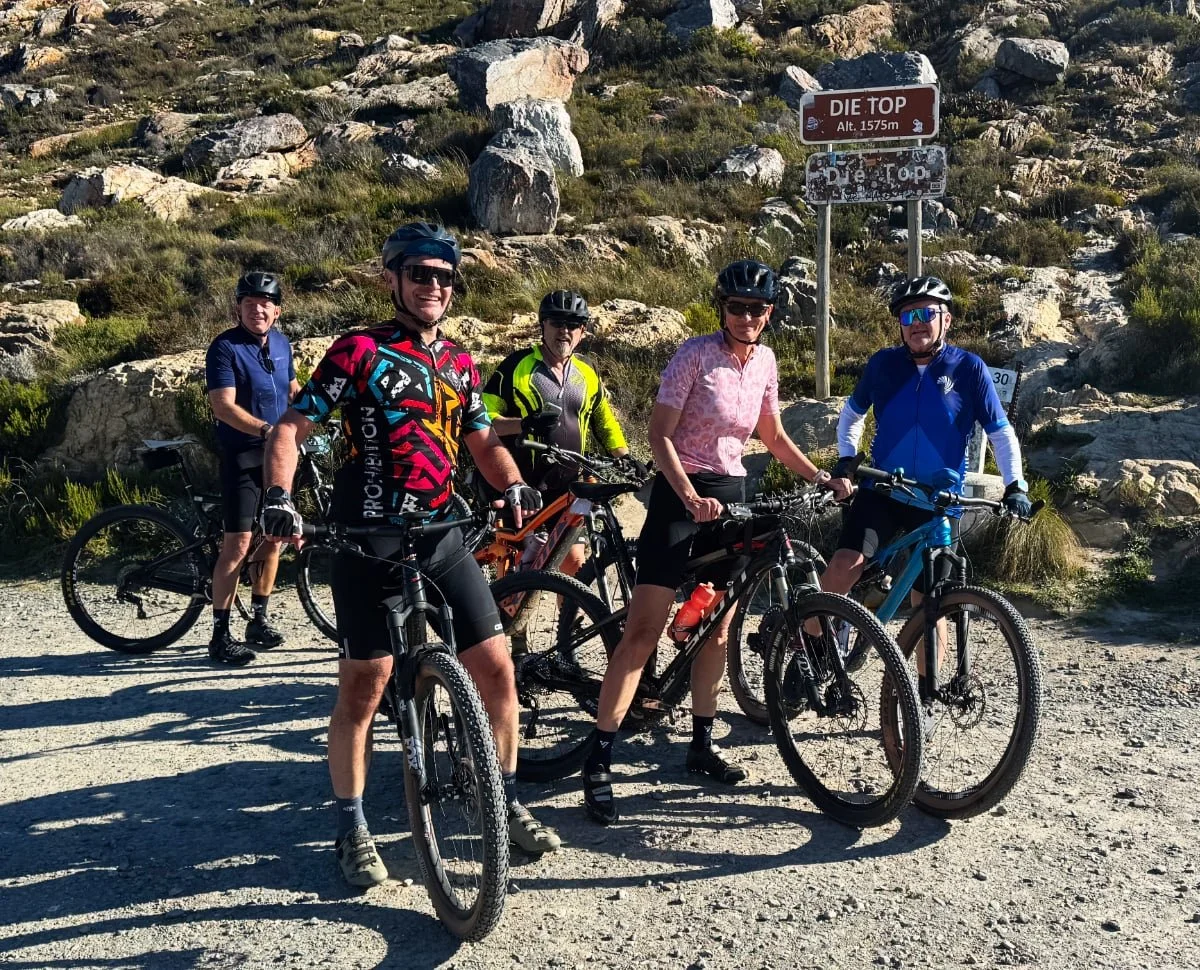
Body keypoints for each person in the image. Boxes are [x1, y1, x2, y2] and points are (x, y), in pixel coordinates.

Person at [260, 222, 561, 889]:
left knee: (499, 671)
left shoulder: (456, 359)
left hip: (441, 531)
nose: (434, 286)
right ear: (392, 278)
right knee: (364, 687)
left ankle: (506, 800)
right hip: (367, 537)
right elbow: (290, 428)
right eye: (420, 274)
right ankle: (353, 825)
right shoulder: (357, 351)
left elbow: (482, 441)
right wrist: (278, 497)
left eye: (445, 277)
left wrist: (511, 482)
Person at [579, 259, 852, 825]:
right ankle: (598, 757)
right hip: (682, 493)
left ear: (770, 313)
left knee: (718, 626)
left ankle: (701, 744)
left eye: (757, 308)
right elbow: (657, 434)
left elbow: (771, 436)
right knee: (643, 631)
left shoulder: (767, 362)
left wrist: (820, 479)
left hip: (732, 491)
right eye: (737, 307)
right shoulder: (694, 355)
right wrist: (685, 494)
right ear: (722, 309)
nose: (747, 316)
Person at [820, 275, 1034, 606]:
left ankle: (924, 659)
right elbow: (851, 415)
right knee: (844, 566)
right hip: (884, 489)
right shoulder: (883, 365)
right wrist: (847, 459)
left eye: (927, 314)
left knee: (931, 605)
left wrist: (1015, 486)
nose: (917, 323)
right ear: (901, 326)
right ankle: (809, 649)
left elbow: (1000, 432)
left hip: (938, 500)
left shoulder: (969, 368)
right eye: (908, 316)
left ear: (946, 319)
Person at [482, 289, 644, 576]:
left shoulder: (587, 371)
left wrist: (625, 456)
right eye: (557, 323)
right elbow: (482, 419)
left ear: (583, 330)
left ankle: (567, 622)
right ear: (542, 325)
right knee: (517, 573)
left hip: (568, 488)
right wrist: (523, 423)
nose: (564, 331)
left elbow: (603, 420)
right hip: (524, 485)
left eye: (573, 325)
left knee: (574, 564)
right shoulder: (516, 366)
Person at [204, 271, 299, 666]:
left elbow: (292, 390)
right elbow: (222, 406)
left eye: (264, 304)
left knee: (274, 537)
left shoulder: (281, 343)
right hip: (242, 454)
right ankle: (219, 634)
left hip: (277, 456)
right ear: (238, 308)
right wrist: (267, 430)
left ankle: (258, 619)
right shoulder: (224, 347)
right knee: (238, 544)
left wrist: (318, 411)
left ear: (276, 311)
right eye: (249, 303)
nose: (257, 309)